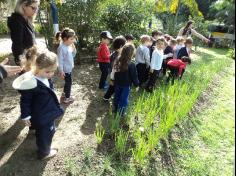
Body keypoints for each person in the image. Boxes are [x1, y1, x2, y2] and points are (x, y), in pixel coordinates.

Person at [12, 50, 64, 160]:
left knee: (45, 131)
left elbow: (48, 88)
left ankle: (42, 141)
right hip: (43, 115)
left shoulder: (44, 77)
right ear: (37, 67)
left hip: (44, 111)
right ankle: (44, 152)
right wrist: (25, 115)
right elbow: (25, 100)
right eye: (48, 72)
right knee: (46, 133)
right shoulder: (31, 83)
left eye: (53, 71)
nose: (51, 74)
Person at [8, 0, 40, 65]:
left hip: (31, 58)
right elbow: (17, 43)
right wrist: (21, 60)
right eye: (33, 8)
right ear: (24, 6)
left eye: (37, 8)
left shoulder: (27, 19)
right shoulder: (17, 21)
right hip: (25, 60)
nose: (35, 11)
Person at [111, 44, 139, 116]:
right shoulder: (131, 64)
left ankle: (115, 108)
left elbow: (114, 71)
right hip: (126, 85)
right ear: (131, 53)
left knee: (117, 95)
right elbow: (134, 76)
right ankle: (121, 112)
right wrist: (137, 85)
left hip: (117, 83)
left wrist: (112, 79)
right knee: (124, 99)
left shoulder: (117, 60)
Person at [103, 36, 127, 101]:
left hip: (114, 75)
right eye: (125, 45)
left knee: (112, 87)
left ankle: (106, 96)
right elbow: (113, 68)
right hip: (115, 75)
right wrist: (112, 78)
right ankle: (107, 97)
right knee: (113, 87)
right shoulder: (116, 56)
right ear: (121, 46)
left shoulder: (116, 53)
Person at [57, 28, 77, 104]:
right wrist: (61, 71)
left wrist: (74, 49)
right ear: (65, 38)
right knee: (69, 83)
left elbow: (72, 55)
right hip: (65, 70)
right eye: (71, 39)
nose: (73, 41)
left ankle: (64, 94)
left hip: (68, 69)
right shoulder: (61, 48)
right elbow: (60, 61)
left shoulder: (68, 46)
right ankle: (67, 98)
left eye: (73, 39)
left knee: (67, 82)